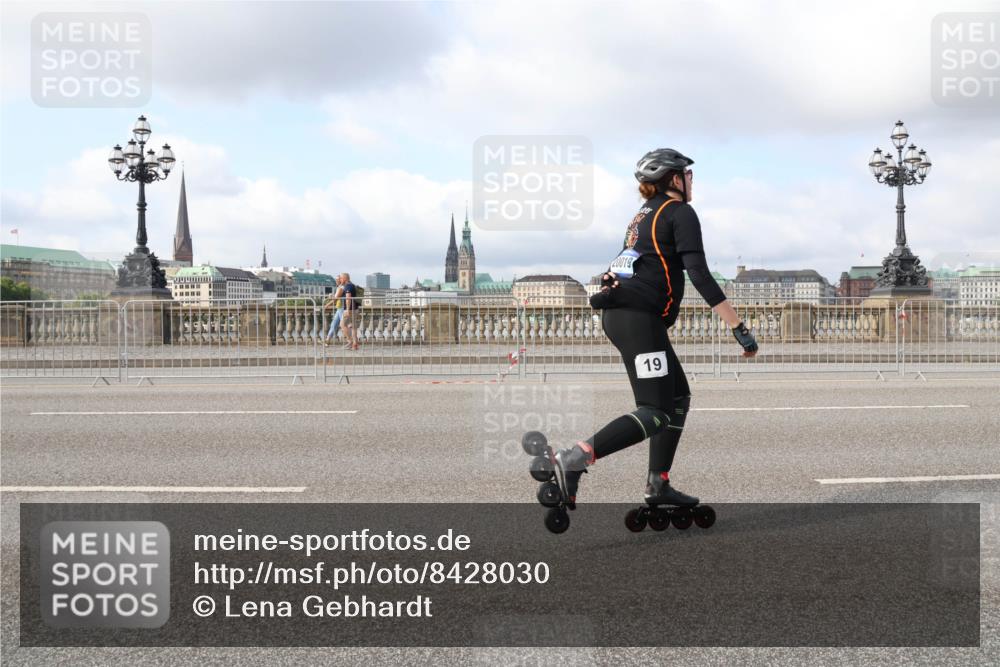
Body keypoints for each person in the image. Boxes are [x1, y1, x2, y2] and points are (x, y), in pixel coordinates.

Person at [555, 148, 758, 509]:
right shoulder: (680, 212)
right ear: (674, 179)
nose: (692, 180)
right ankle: (576, 458)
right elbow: (699, 275)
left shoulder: (641, 217)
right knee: (655, 410)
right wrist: (738, 327)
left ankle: (658, 483)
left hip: (624, 314)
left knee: (678, 397)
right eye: (688, 174)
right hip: (636, 317)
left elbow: (628, 264)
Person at [322, 275, 345, 346]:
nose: (336, 281)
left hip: (342, 308)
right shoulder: (339, 287)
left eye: (338, 279)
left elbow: (336, 299)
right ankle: (327, 341)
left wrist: (327, 305)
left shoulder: (341, 288)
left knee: (344, 325)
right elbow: (336, 298)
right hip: (339, 308)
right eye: (336, 279)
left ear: (341, 280)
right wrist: (332, 297)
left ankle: (352, 341)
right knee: (334, 324)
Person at [339, 272, 360, 351]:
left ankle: (350, 341)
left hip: (350, 309)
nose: (340, 280)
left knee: (342, 325)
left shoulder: (348, 286)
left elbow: (348, 298)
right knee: (354, 327)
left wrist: (347, 309)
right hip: (355, 308)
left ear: (345, 278)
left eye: (341, 278)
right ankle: (355, 345)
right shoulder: (352, 285)